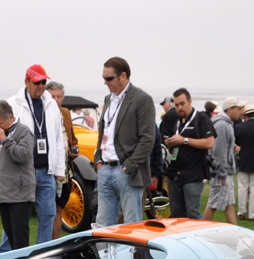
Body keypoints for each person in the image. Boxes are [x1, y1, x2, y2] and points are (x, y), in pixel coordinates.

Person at [4, 64, 64, 248]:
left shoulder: (51, 103)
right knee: (16, 217)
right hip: (22, 171)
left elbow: (58, 138)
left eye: (43, 82)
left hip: (46, 170)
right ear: (27, 82)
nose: (41, 86)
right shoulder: (13, 103)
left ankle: (41, 253)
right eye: (37, 82)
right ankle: (5, 253)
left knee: (48, 214)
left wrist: (60, 168)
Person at [93, 56, 154, 227]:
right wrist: (99, 160)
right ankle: (105, 254)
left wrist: (129, 166)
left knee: (132, 226)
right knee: (103, 226)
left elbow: (148, 138)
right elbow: (103, 132)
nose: (105, 82)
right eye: (103, 78)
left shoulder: (142, 99)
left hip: (126, 171)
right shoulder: (108, 99)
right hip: (105, 168)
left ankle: (133, 255)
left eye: (109, 78)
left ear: (123, 76)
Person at [0, 100, 35, 249]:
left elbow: (23, 156)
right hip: (2, 192)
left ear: (10, 117)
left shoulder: (24, 132)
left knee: (20, 235)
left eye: (0, 124)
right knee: (10, 234)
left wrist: (5, 140)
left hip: (20, 193)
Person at [161, 88, 214, 219]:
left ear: (190, 101)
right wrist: (170, 144)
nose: (180, 108)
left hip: (193, 174)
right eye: (177, 105)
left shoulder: (201, 118)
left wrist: (184, 140)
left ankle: (199, 239)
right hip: (174, 173)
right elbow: (174, 149)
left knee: (193, 214)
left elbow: (209, 143)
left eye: (182, 103)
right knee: (176, 215)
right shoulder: (177, 121)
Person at [46, 81, 81, 238]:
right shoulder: (42, 114)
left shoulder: (65, 112)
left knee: (59, 208)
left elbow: (72, 138)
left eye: (59, 96)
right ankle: (44, 246)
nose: (56, 99)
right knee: (47, 210)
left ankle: (55, 244)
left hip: (66, 171)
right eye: (52, 96)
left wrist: (74, 149)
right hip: (47, 171)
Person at [202, 97, 245, 224]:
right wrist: (222, 174)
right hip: (221, 173)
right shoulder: (222, 125)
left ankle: (236, 232)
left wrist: (232, 148)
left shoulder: (225, 124)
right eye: (238, 108)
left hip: (224, 172)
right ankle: (200, 231)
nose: (241, 111)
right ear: (230, 109)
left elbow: (221, 147)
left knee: (229, 204)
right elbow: (218, 152)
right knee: (213, 204)